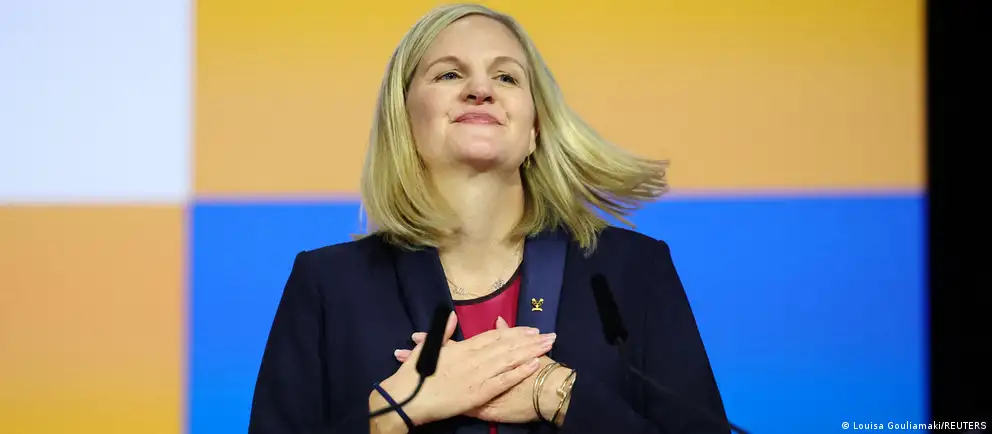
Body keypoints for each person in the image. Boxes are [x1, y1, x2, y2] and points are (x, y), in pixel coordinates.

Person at [247, 3, 728, 433]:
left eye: (506, 77)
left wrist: (560, 395)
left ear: (535, 127)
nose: (480, 90)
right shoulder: (328, 284)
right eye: (449, 75)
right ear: (405, 118)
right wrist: (392, 413)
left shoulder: (632, 271)